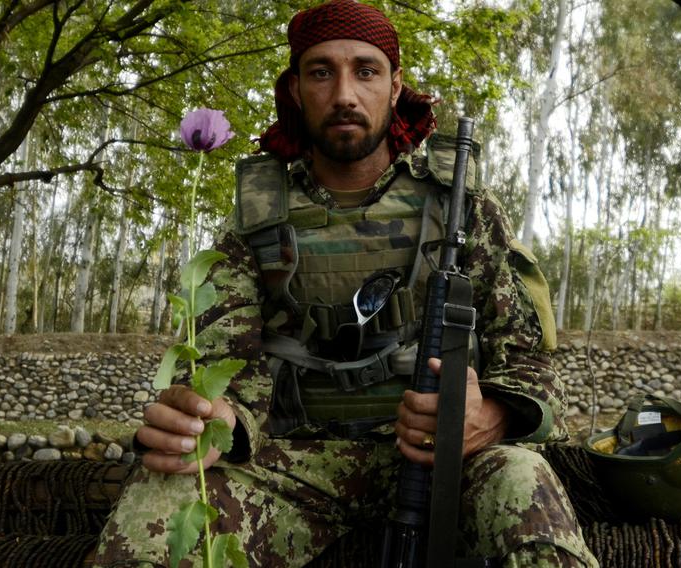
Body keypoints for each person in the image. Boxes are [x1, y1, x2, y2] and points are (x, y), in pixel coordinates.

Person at [96, 1, 598, 566]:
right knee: (162, 500)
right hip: (294, 467)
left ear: (395, 84)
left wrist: (493, 417)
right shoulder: (254, 222)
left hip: (445, 468)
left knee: (523, 479)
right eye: (320, 72)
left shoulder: (465, 212)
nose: (343, 94)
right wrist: (216, 417)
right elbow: (226, 370)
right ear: (294, 90)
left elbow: (533, 365)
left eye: (365, 70)